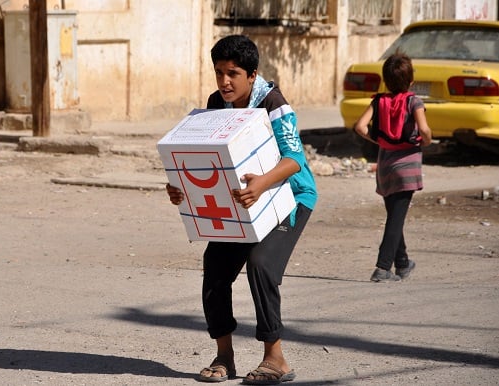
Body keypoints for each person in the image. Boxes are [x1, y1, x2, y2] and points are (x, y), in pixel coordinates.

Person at [166, 35, 317, 384]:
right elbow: (204, 158)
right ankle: (224, 356)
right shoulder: (216, 103)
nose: (224, 82)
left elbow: (295, 160)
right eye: (218, 73)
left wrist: (261, 183)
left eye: (232, 73)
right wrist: (181, 187)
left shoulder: (274, 103)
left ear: (252, 75)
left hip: (290, 197)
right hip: (242, 200)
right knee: (215, 265)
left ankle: (275, 359)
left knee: (261, 266)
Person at [354, 52, 432, 282]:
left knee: (394, 215)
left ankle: (403, 263)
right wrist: (425, 141)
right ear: (411, 81)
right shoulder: (414, 101)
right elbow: (425, 130)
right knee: (395, 218)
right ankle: (382, 267)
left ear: (385, 80)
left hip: (385, 167)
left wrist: (380, 141)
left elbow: (360, 126)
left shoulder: (378, 101)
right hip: (407, 168)